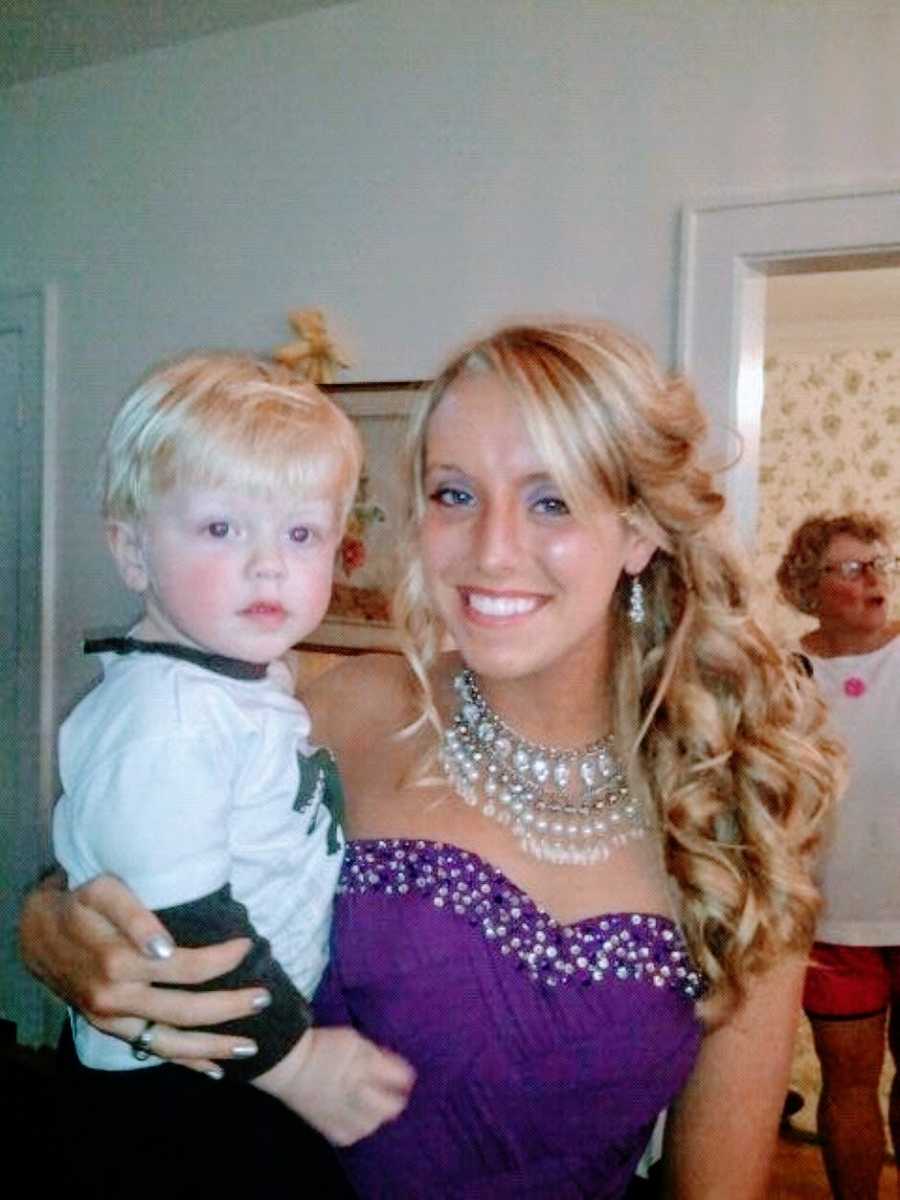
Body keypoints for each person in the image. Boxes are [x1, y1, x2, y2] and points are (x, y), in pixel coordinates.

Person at [22, 321, 842, 1198]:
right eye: (455, 494)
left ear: (638, 531)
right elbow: (135, 837)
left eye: (551, 499)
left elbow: (715, 1188)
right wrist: (48, 931)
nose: (490, 550)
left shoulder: (740, 807)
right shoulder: (338, 708)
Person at [48, 353, 413, 1195]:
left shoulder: (238, 686)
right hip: (179, 1082)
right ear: (132, 550)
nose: (269, 565)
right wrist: (298, 1064)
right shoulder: (165, 715)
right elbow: (179, 917)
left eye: (301, 533)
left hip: (232, 1058)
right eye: (221, 529)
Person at [777, 512, 900, 1200]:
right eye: (851, 567)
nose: (874, 578)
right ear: (808, 584)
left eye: (882, 563)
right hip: (833, 921)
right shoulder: (785, 675)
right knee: (848, 1082)